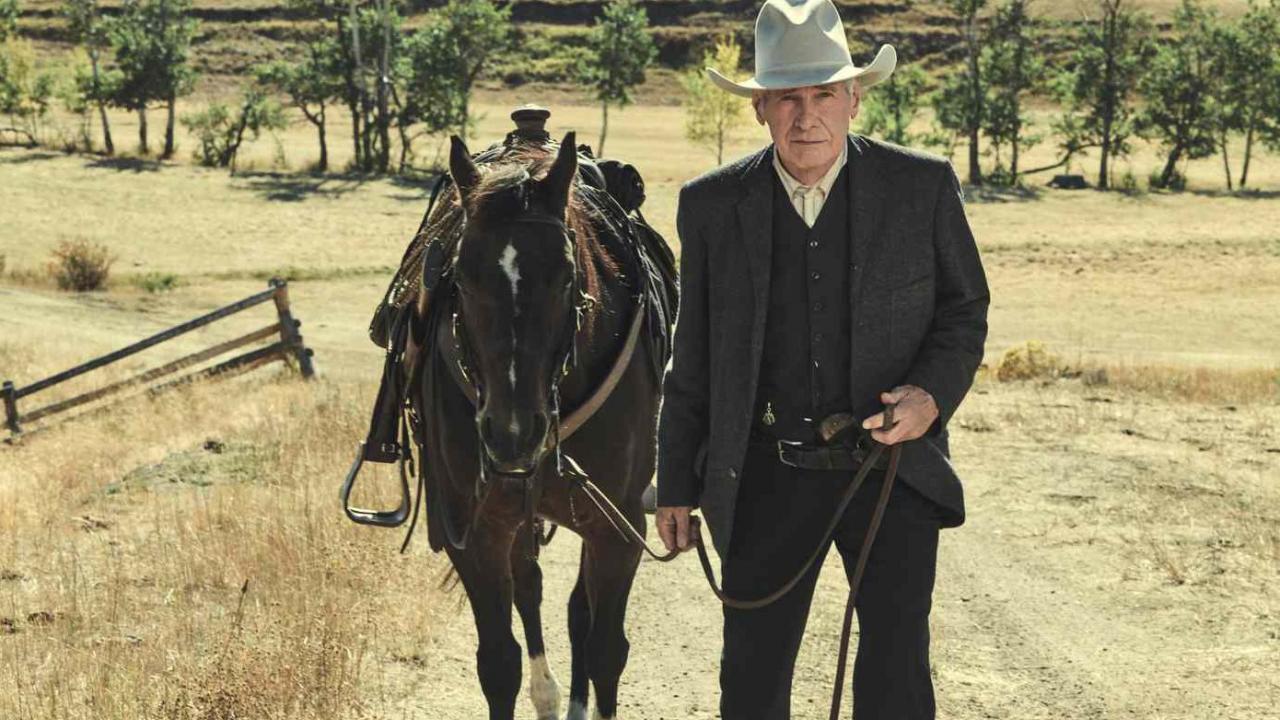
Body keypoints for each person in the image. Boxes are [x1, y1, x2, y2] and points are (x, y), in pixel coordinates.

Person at [654, 1, 990, 718]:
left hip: (891, 471)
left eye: (824, 96)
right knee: (750, 681)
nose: (807, 117)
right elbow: (695, 352)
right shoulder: (711, 205)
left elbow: (964, 310)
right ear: (762, 111)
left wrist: (931, 396)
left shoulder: (921, 187)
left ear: (854, 100)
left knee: (898, 677)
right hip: (764, 474)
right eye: (788, 99)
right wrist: (675, 479)